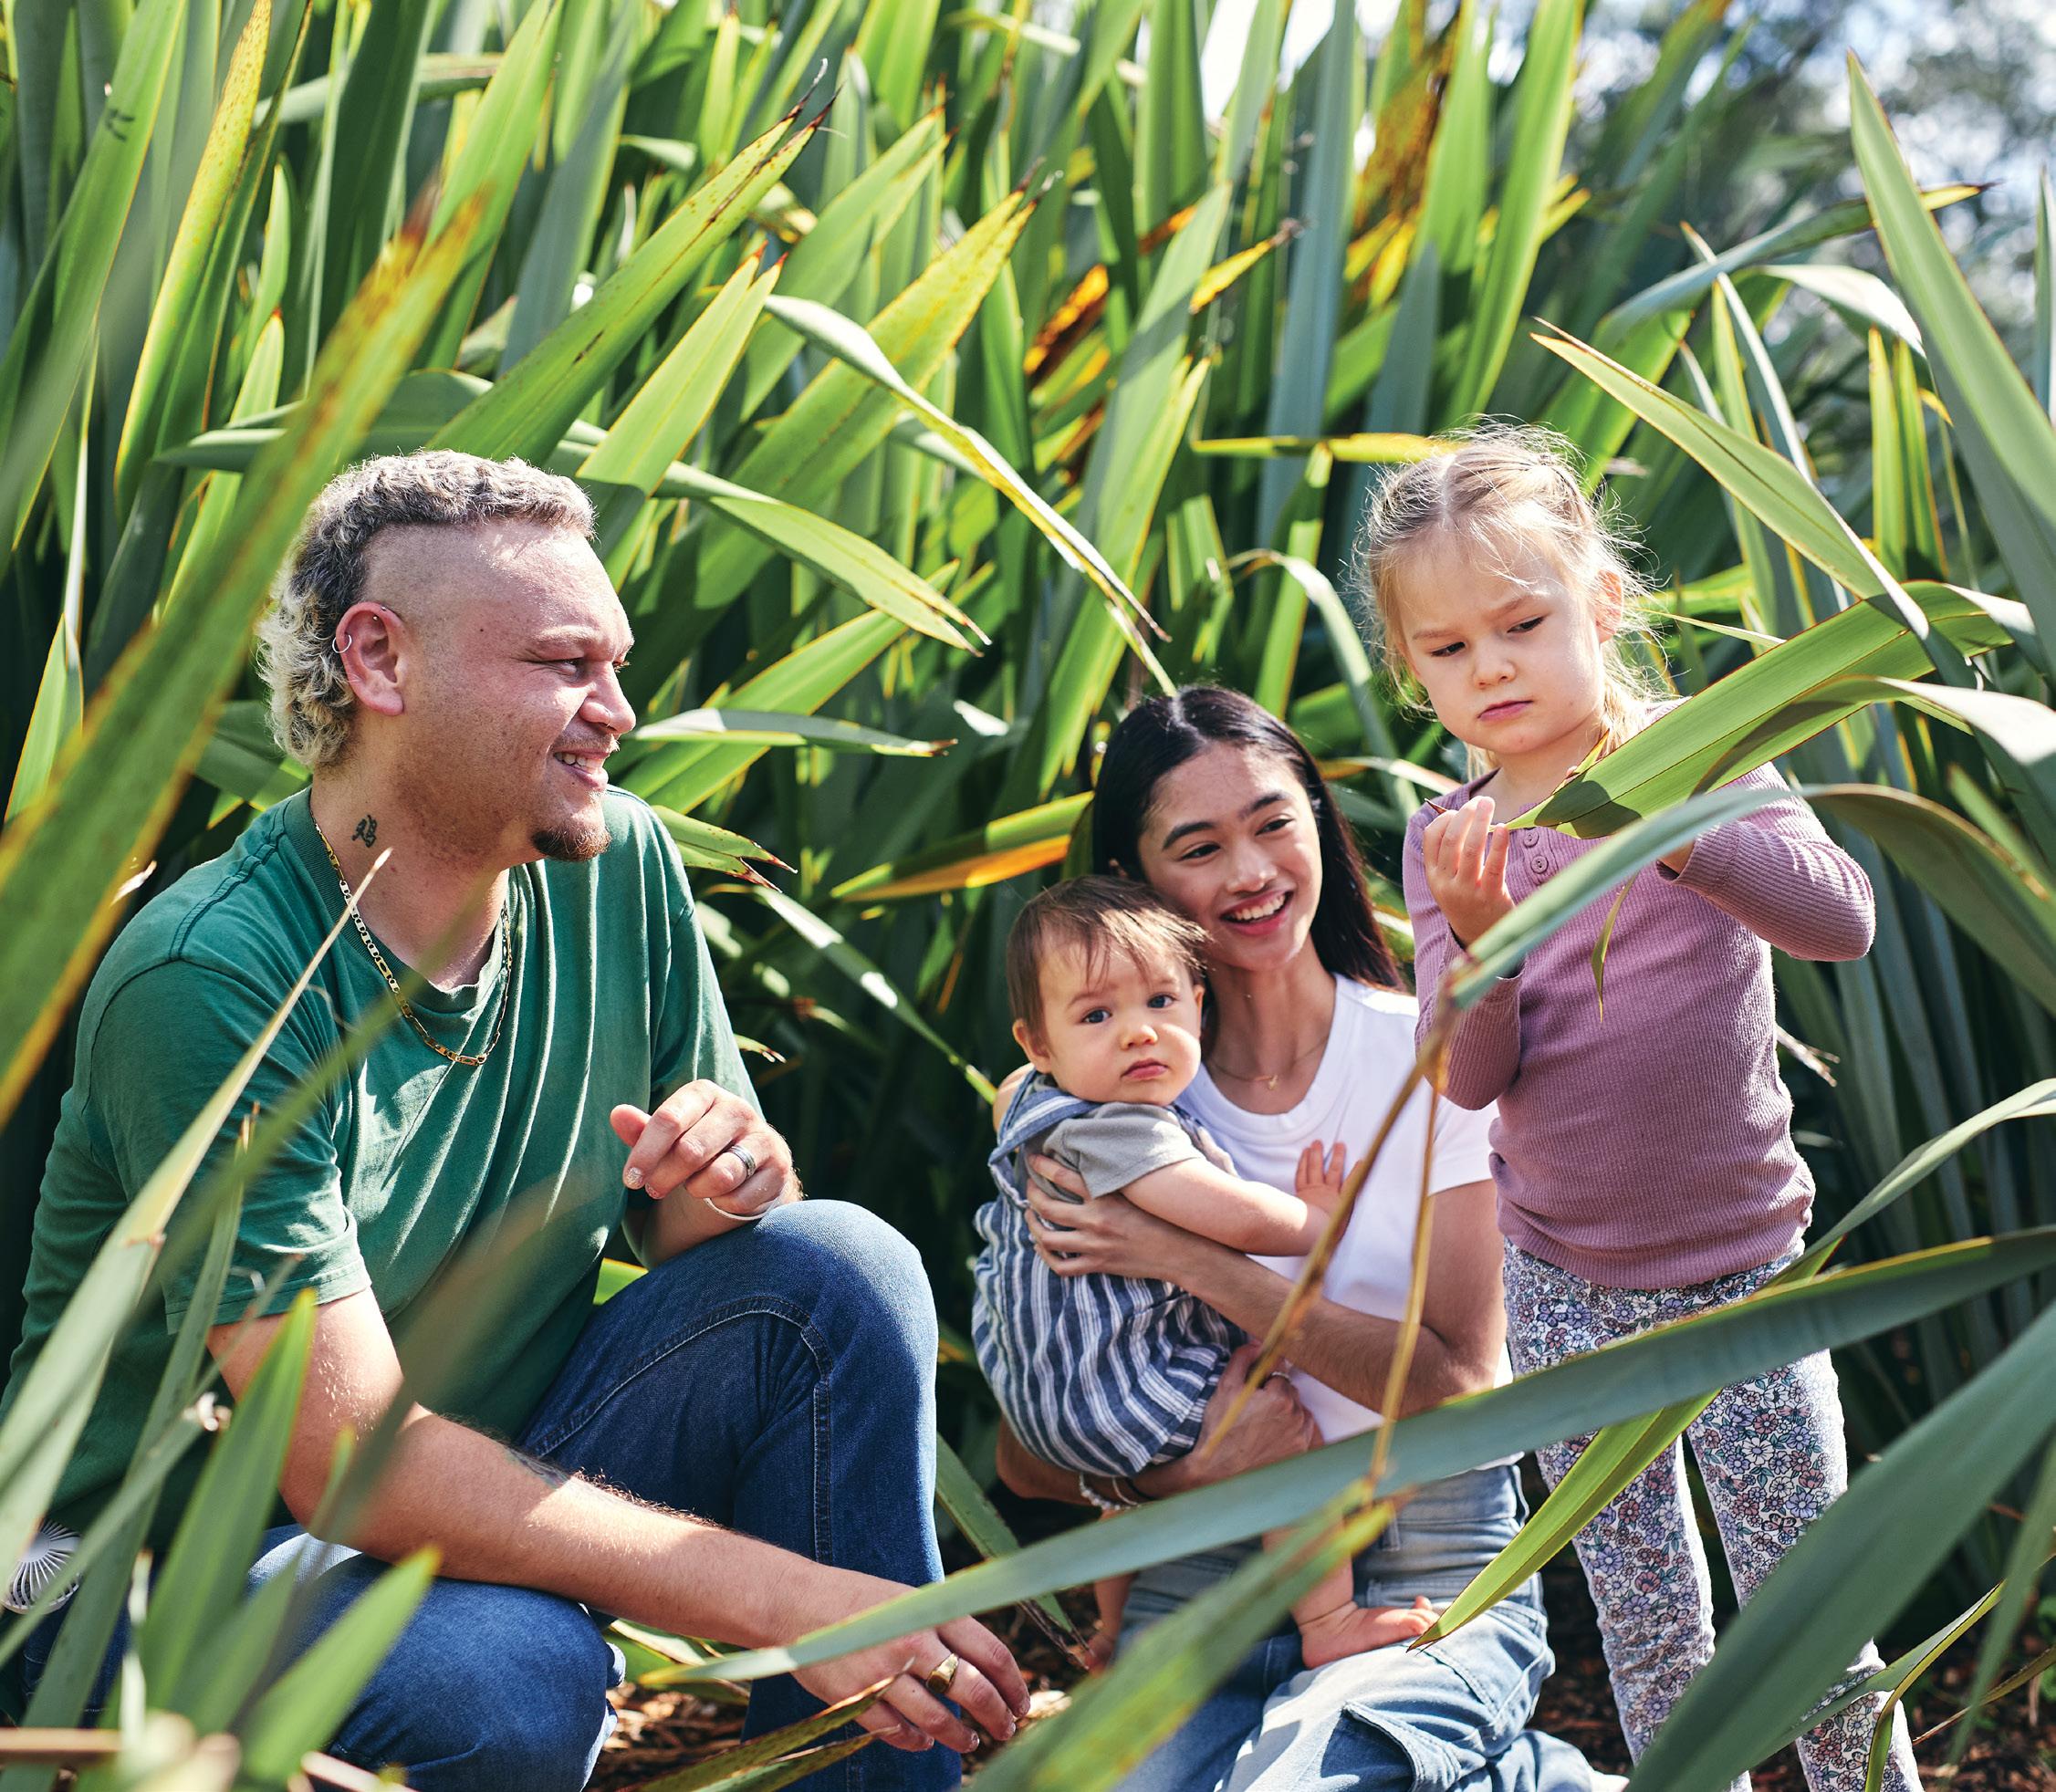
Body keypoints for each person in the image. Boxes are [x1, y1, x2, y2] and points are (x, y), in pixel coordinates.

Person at [1, 452, 1028, 1790]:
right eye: (562, 664)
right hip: (134, 1575)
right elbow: (347, 1465)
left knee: (838, 1270)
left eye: (616, 664)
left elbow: (708, 1253)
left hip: (445, 1487)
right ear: (379, 660)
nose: (617, 712)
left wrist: (729, 1181)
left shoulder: (619, 864)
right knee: (507, 1675)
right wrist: (802, 1603)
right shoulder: (214, 977)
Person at [1367, 423, 1919, 1791]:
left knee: (1811, 1618)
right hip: (1565, 1288)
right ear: (1412, 669)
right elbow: (1467, 1076)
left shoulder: (1704, 756)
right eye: (1447, 648)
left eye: (1522, 623)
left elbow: (1842, 921)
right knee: (1652, 1631)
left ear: (1601, 603)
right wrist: (1484, 941)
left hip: (1743, 1276)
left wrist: (1673, 827)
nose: (1491, 667)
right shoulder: (1451, 842)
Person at [993, 685, 1612, 1792]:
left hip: (1431, 1551)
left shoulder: (1436, 1057)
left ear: (1318, 824)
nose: (1249, 872)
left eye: (1273, 823)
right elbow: (1026, 1447)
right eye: (1199, 846)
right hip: (1203, 1568)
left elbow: (1463, 1389)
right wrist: (1178, 1473)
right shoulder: (1095, 1106)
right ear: (1135, 881)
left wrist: (1190, 1259)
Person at [973, 875, 1435, 1667]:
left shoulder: (1031, 1097)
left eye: (1160, 1002)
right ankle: (1328, 1621)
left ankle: (1110, 1630)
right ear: (1038, 1043)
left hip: (1043, 1390)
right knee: (1283, 1450)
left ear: (1197, 1004)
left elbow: (1006, 1093)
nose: (1137, 1033)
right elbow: (1237, 1219)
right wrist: (1319, 1222)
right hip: (1116, 1392)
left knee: (1127, 1497)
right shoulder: (1121, 1132)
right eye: (1096, 1016)